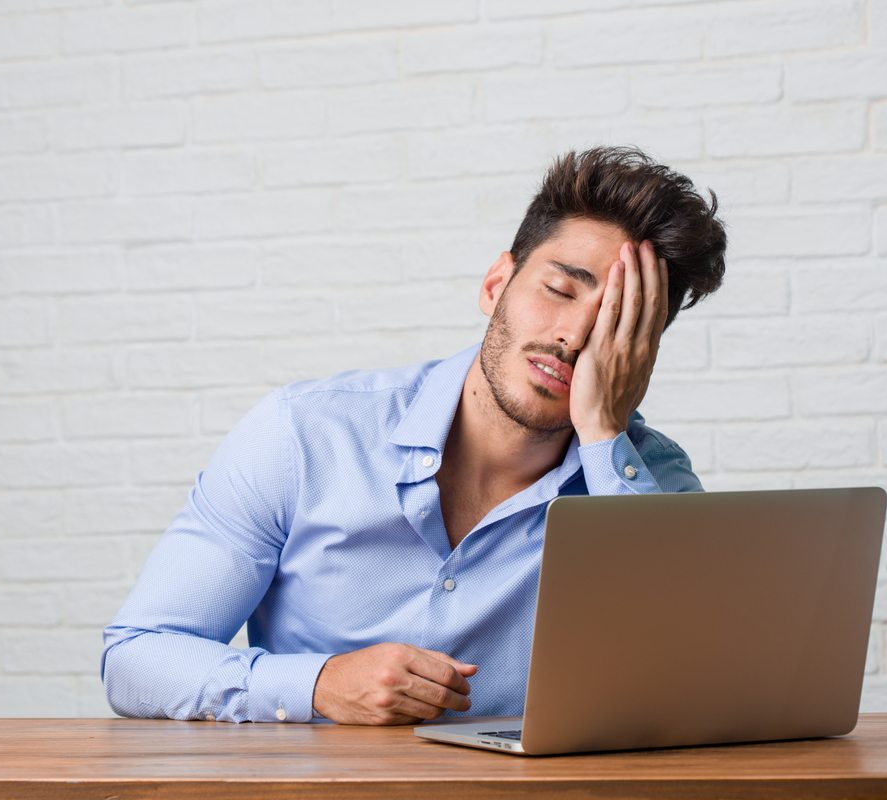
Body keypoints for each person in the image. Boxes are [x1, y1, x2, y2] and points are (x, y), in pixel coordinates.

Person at [101, 145, 727, 725]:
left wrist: (604, 433)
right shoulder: (305, 435)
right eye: (559, 290)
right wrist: (317, 684)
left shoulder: (651, 481)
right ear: (496, 284)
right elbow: (136, 660)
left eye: (617, 327)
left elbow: (694, 690)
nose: (573, 337)